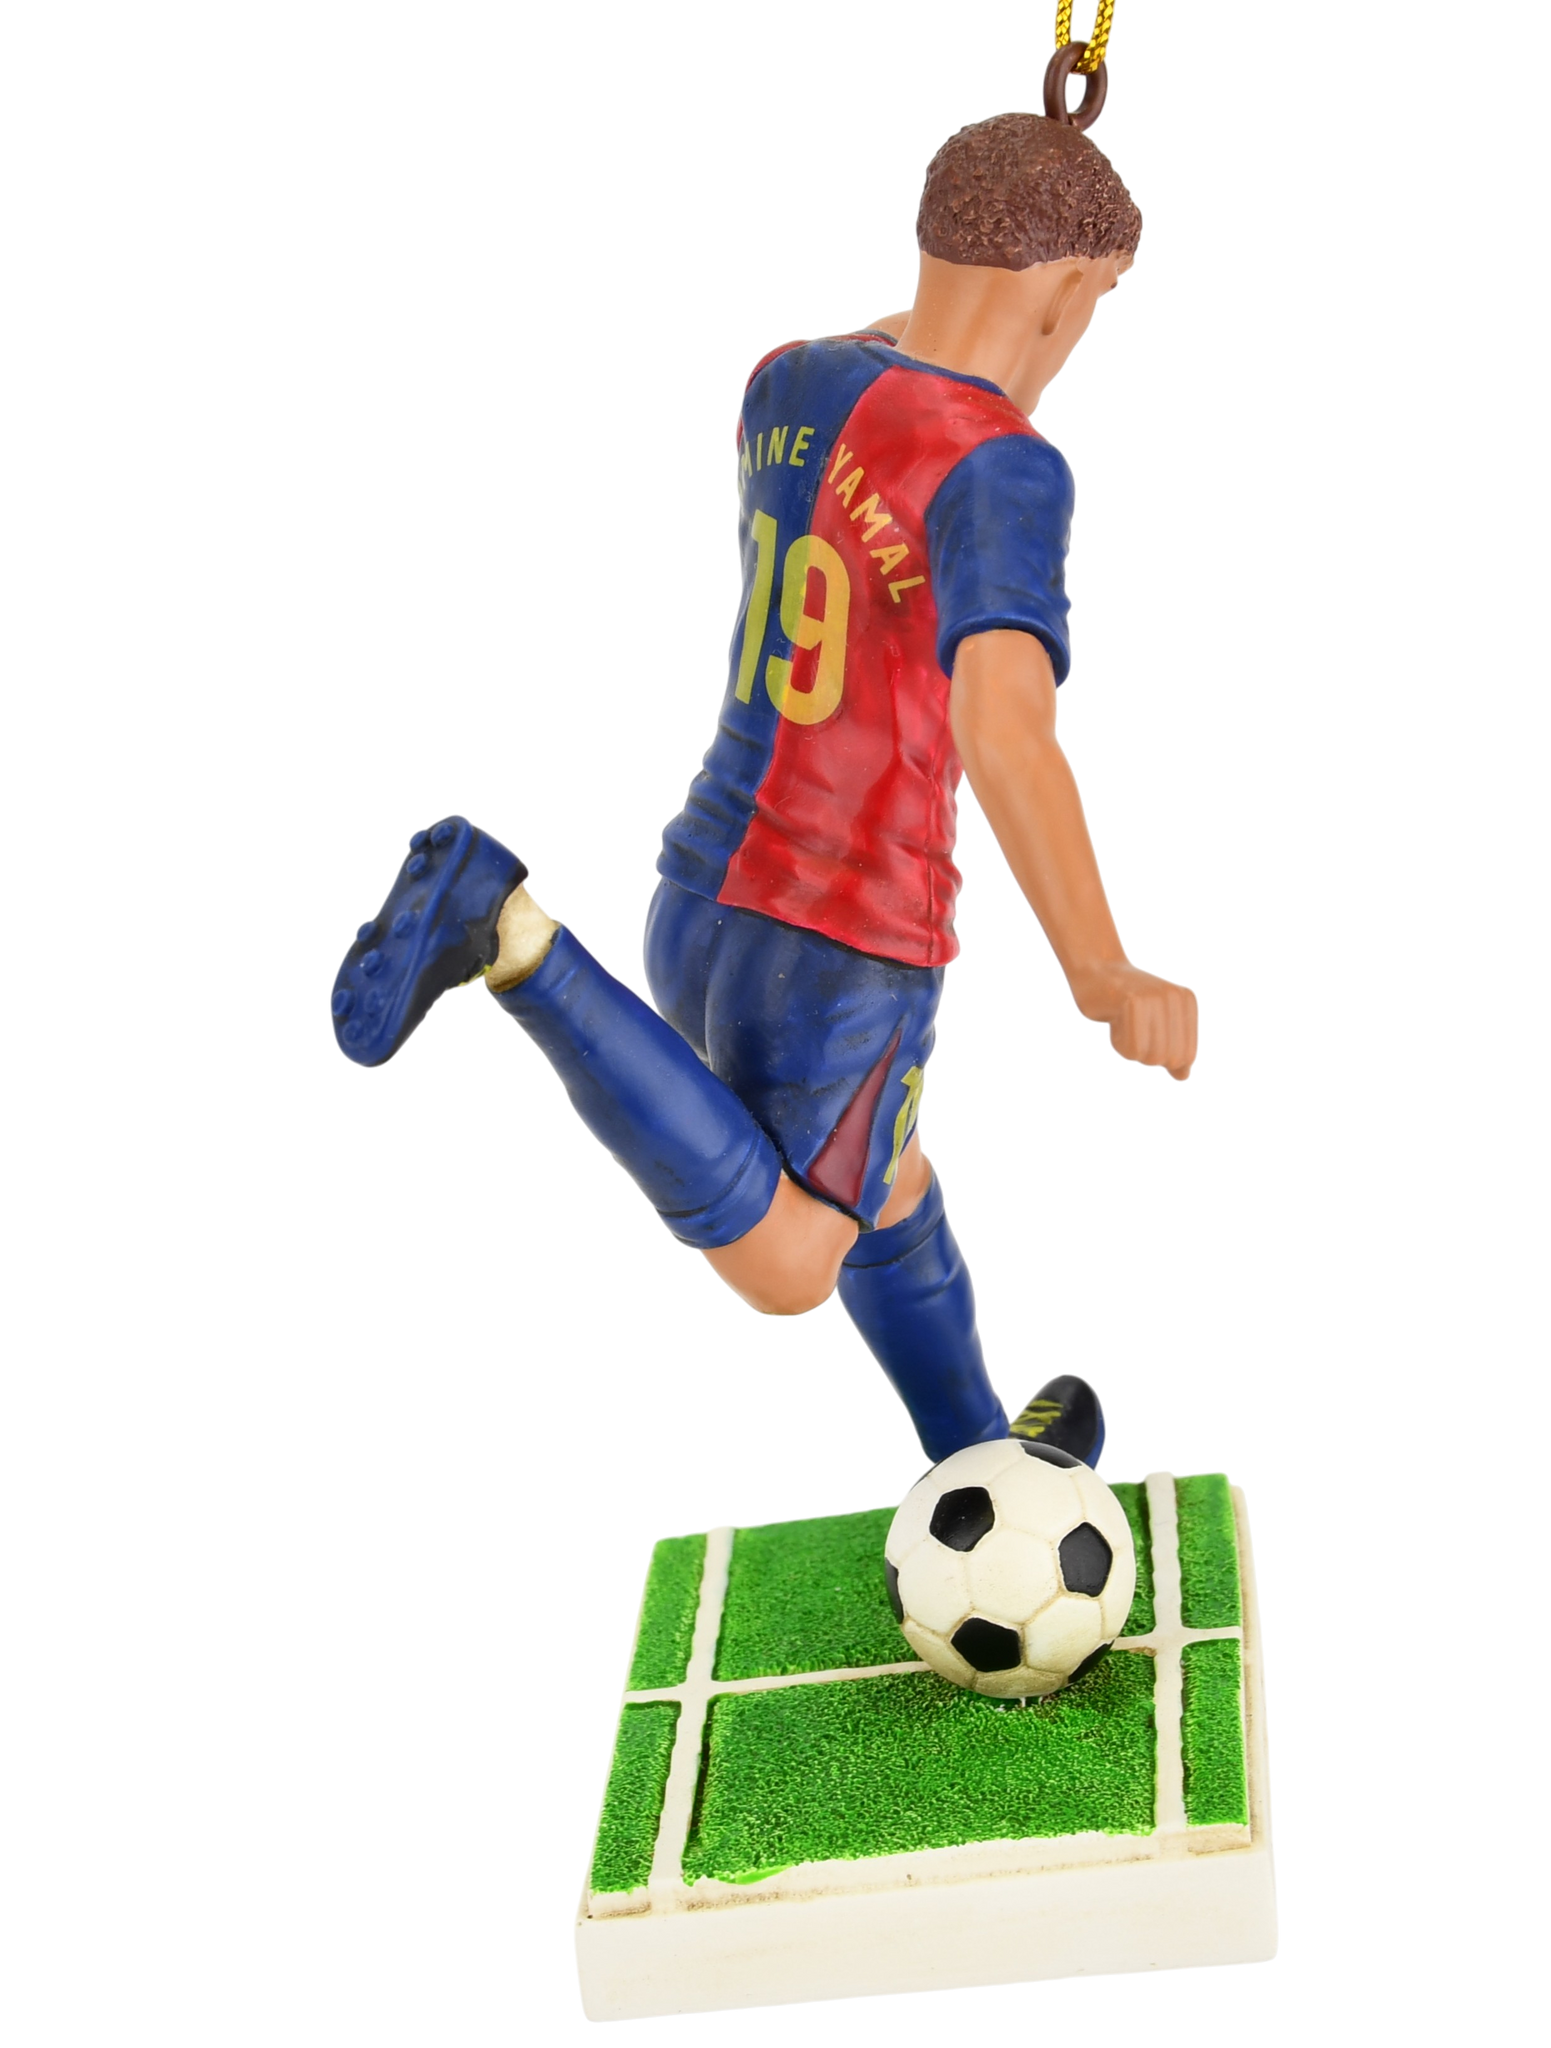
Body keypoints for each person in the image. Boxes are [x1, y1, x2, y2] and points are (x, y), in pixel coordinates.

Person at [326, 110, 1200, 1472]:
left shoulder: (788, 377)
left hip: (701, 890)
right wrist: (1105, 970)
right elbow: (1006, 728)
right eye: (1095, 306)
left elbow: (917, 349)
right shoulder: (1005, 470)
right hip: (849, 944)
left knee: (889, 1178)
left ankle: (980, 1462)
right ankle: (512, 934)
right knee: (794, 1264)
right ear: (1063, 293)